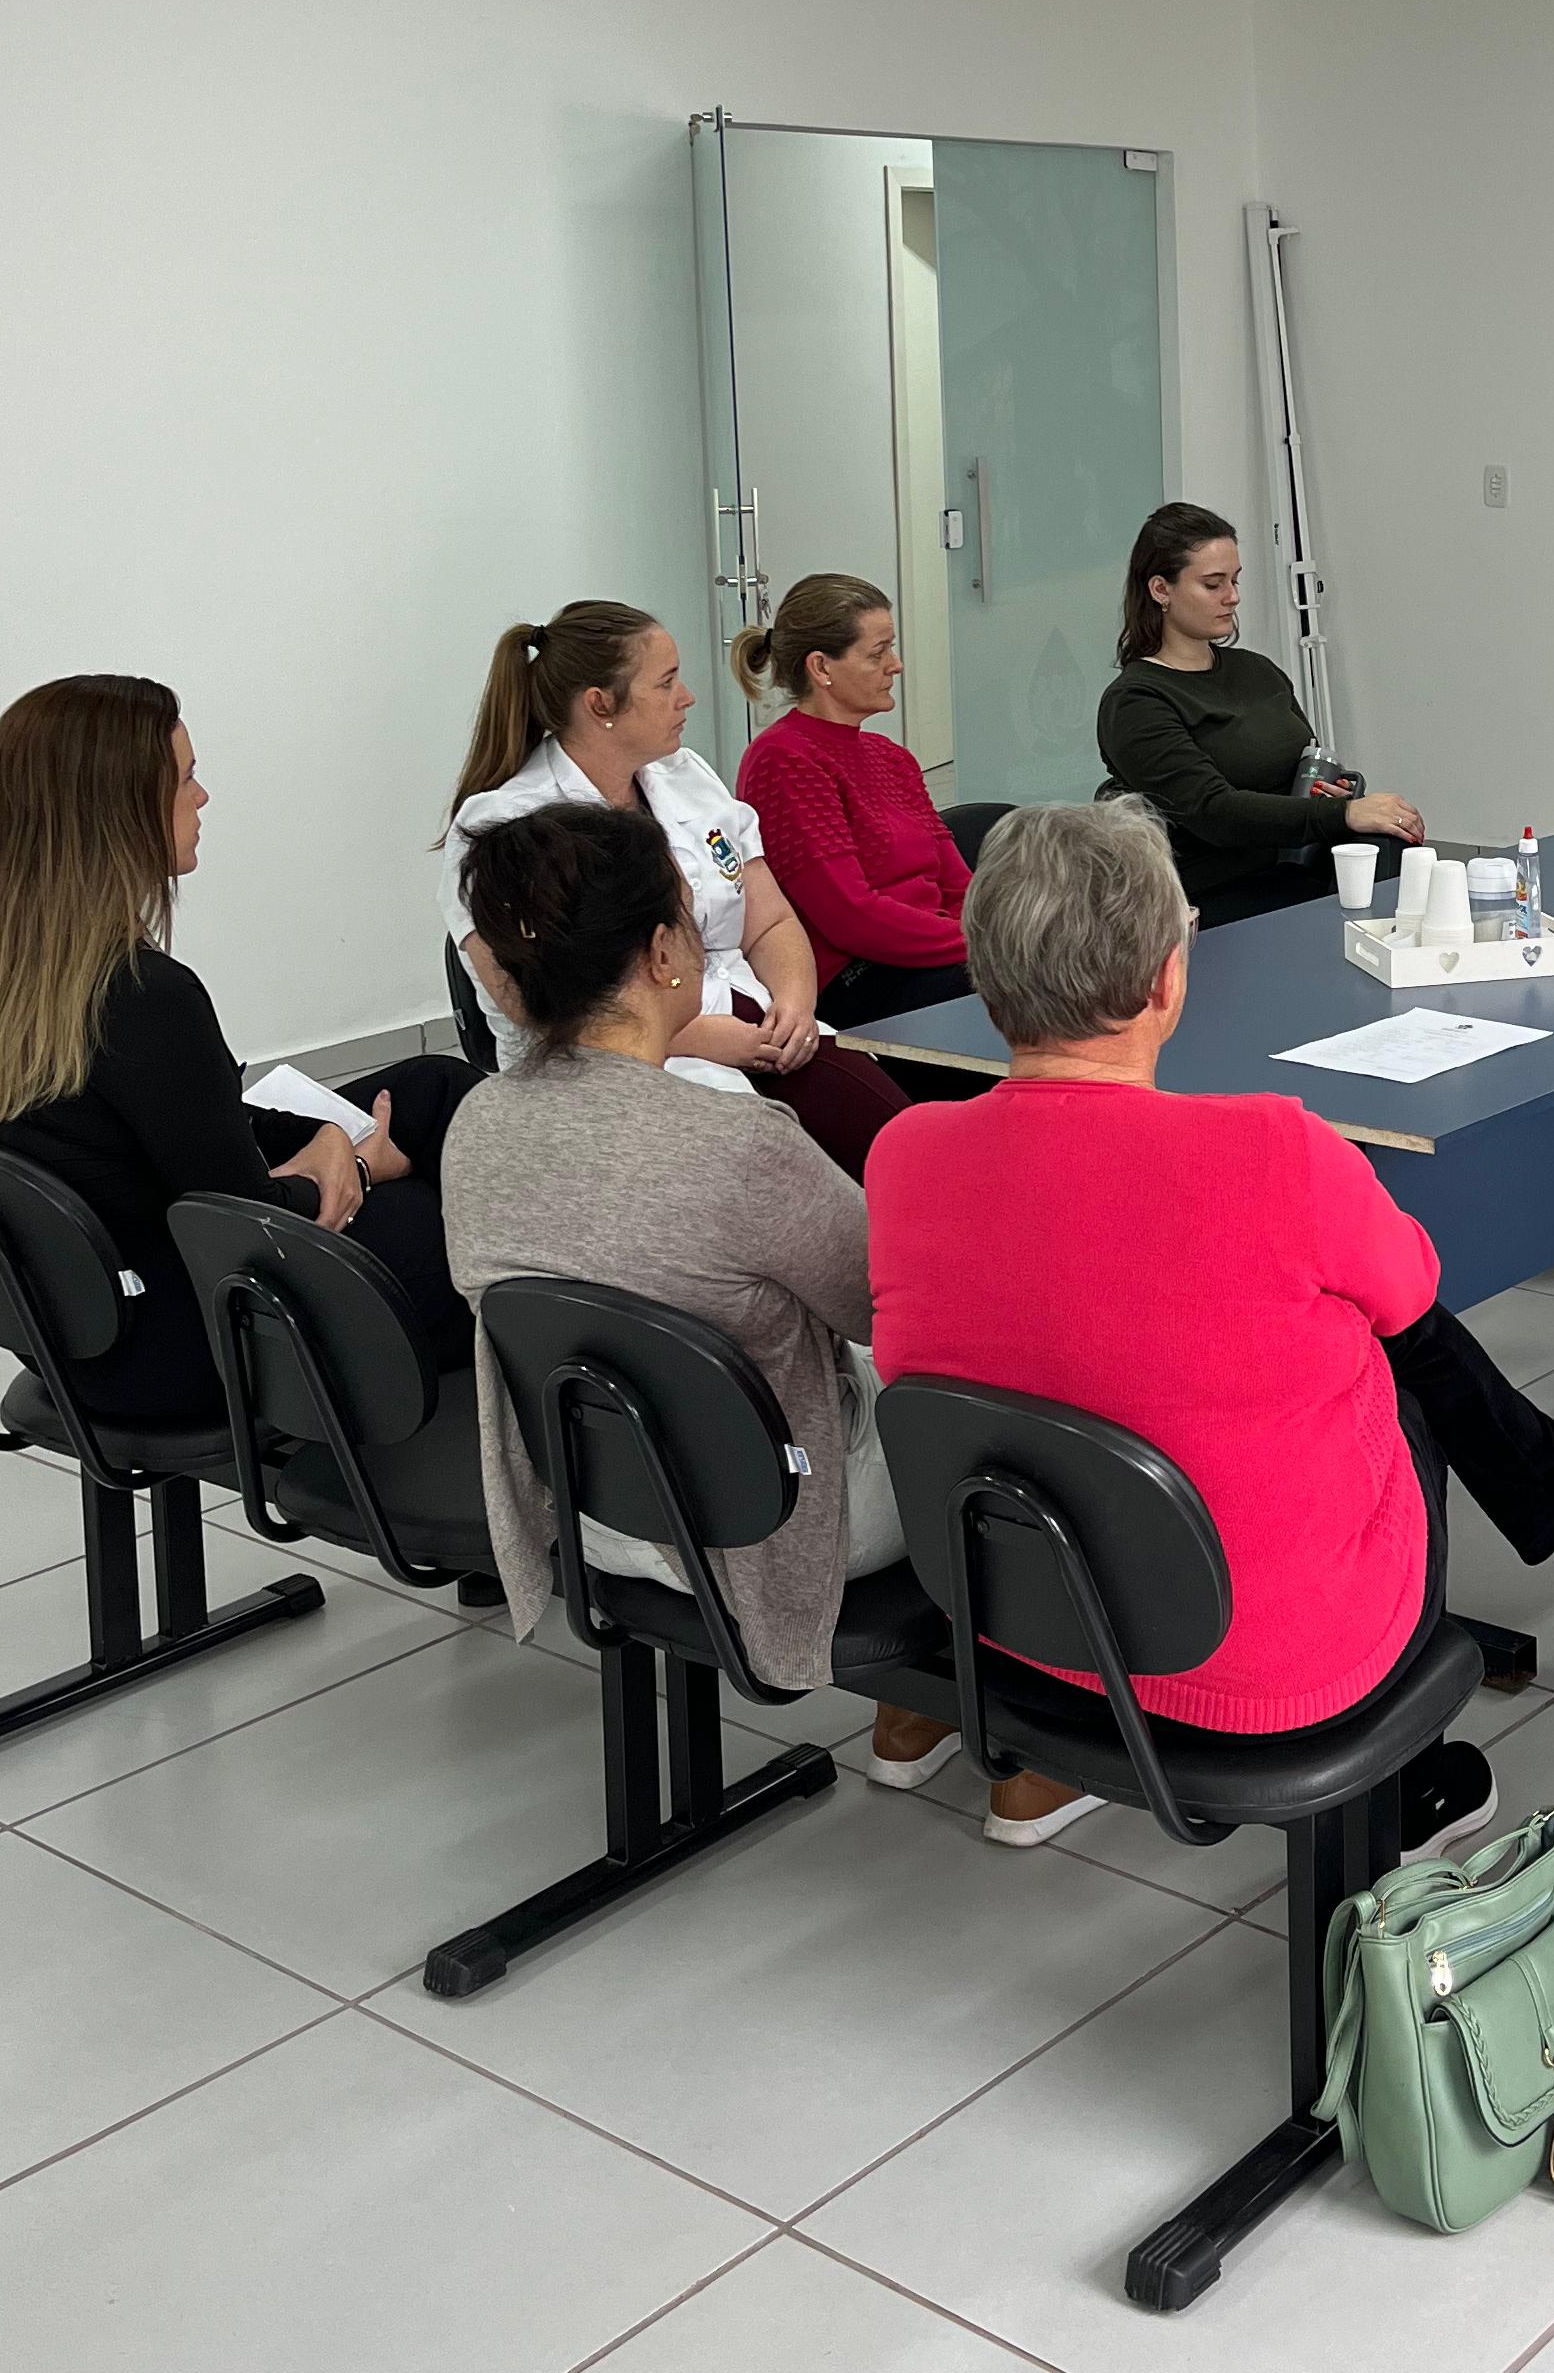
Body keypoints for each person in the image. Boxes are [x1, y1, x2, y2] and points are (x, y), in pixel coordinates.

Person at [864, 799, 1554, 1833]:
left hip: (1022, 1621)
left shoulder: (902, 1154)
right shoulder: (1276, 1150)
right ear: (1167, 979)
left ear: (983, 976)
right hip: (1274, 1666)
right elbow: (1412, 1289)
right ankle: (1404, 1775)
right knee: (1386, 1362)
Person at [439, 801, 1089, 1831]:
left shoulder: (478, 1124)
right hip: (767, 1525)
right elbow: (894, 1311)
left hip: (594, 1508)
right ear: (663, 955)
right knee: (1018, 1372)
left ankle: (915, 1713)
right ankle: (1038, 1732)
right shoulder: (737, 1148)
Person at [0, 675, 476, 1427]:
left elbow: (178, 1125)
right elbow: (248, 1224)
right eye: (186, 779)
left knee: (436, 1086)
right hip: (192, 1344)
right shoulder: (142, 996)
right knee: (454, 1227)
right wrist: (351, 1169)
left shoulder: (1, 977)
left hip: (100, 1325)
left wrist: (324, 1137)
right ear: (120, 813)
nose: (203, 796)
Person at [439, 598, 919, 1182]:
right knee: (779, 1182)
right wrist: (701, 1037)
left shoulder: (684, 774)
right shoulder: (508, 827)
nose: (687, 697)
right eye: (666, 683)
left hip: (760, 1025)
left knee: (905, 1154)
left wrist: (796, 1003)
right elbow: (536, 1005)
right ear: (600, 705)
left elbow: (769, 921)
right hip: (620, 1067)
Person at [1095, 503, 1424, 926]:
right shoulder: (1136, 702)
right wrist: (1340, 815)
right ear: (1161, 589)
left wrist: (1334, 793)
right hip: (1216, 892)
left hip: (1300, 865)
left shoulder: (1257, 671)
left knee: (1397, 851)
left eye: (1234, 580)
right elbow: (1214, 813)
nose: (1232, 596)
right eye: (1212, 584)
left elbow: (1305, 763)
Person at [732, 572, 973, 1027]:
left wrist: (990, 936)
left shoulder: (891, 757)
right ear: (821, 668)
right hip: (857, 979)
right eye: (878, 653)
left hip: (933, 955)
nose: (896, 665)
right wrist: (985, 945)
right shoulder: (784, 759)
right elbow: (850, 918)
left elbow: (957, 883)